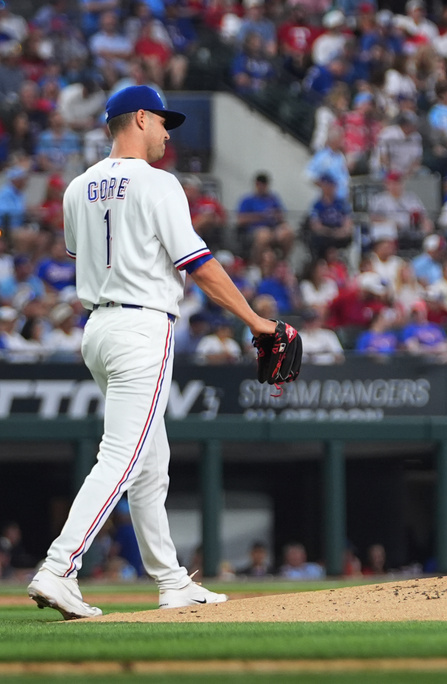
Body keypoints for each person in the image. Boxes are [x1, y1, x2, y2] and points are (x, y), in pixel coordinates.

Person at [27, 86, 281, 620]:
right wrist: (256, 320)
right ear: (139, 118)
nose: (168, 133)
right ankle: (58, 567)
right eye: (163, 122)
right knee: (121, 456)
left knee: (151, 462)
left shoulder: (78, 186)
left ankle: (171, 582)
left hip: (97, 327)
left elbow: (83, 251)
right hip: (142, 326)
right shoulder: (159, 183)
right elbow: (201, 266)